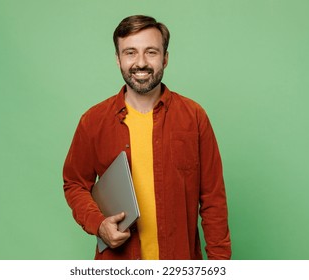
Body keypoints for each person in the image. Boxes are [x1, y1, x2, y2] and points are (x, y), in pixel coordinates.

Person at [63, 15, 231, 260]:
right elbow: (74, 183)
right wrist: (98, 224)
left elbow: (213, 201)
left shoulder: (194, 117)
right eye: (130, 53)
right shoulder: (93, 121)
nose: (140, 63)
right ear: (118, 59)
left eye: (151, 52)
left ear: (165, 58)